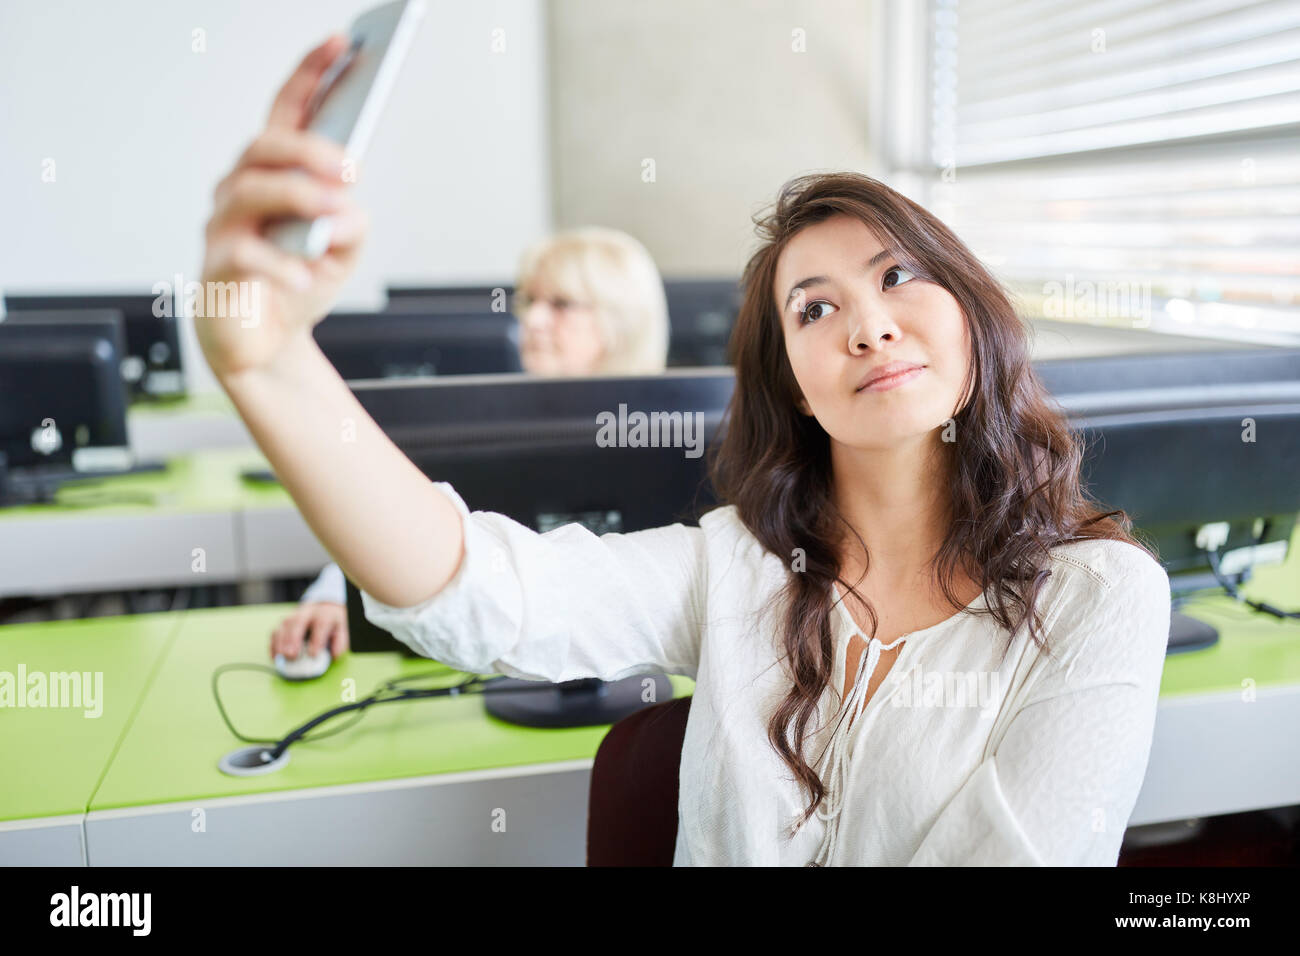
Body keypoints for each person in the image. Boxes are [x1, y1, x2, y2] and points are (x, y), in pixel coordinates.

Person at [197, 36, 1171, 866]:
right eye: (816, 308)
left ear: (971, 314)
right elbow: (477, 585)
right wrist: (270, 365)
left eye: (899, 276)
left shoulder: (1096, 594)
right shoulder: (735, 570)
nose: (868, 326)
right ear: (790, 380)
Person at [274, 224, 669, 662]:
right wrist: (336, 594)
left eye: (560, 304)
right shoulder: (481, 420)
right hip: (480, 667)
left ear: (621, 320)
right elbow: (404, 516)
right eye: (529, 301)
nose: (532, 320)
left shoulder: (666, 432)